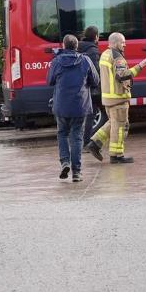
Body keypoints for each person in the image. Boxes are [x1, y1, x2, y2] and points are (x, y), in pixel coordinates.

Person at [47, 34, 99, 182]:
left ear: (63, 46)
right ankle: (77, 173)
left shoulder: (56, 61)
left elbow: (49, 81)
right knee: (76, 137)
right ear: (77, 46)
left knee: (62, 133)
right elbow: (95, 81)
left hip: (61, 105)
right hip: (80, 105)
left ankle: (65, 162)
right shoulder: (85, 60)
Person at [88, 32, 146, 164]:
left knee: (113, 123)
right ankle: (116, 155)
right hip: (118, 98)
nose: (125, 44)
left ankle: (95, 143)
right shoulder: (117, 57)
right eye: (122, 42)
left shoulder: (105, 54)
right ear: (115, 43)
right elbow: (122, 75)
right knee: (120, 127)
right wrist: (139, 67)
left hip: (108, 98)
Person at [79, 26, 106, 160]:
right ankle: (92, 142)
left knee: (90, 114)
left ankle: (87, 142)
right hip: (93, 88)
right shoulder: (93, 50)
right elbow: (95, 70)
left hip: (83, 87)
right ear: (95, 36)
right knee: (104, 114)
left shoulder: (79, 47)